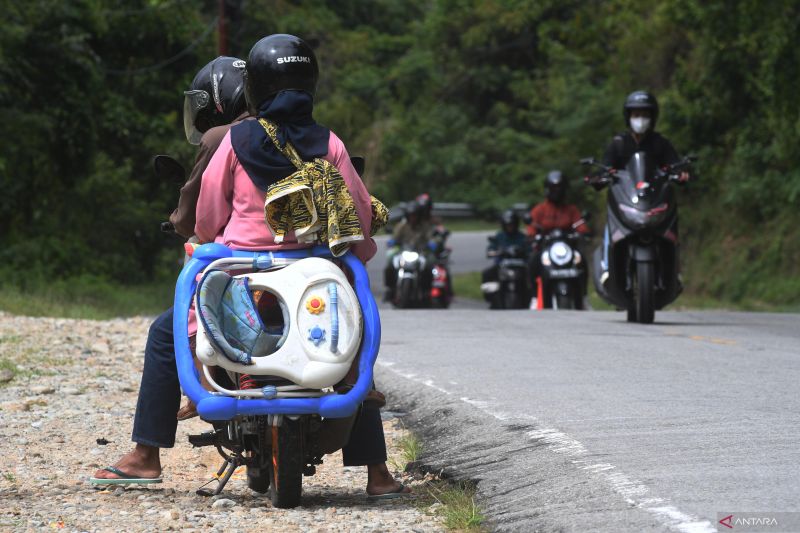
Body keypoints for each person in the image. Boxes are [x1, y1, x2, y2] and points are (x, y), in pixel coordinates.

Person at [92, 36, 409, 499]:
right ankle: (377, 473)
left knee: (167, 333)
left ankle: (145, 455)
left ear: (255, 88)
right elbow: (358, 220)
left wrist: (220, 237)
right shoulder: (331, 143)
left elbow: (204, 219)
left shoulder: (234, 141)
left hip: (240, 280)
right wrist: (354, 257)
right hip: (310, 281)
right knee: (349, 333)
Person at [593, 90, 688, 187]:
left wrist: (680, 174)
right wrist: (597, 178)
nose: (641, 120)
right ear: (628, 117)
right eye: (636, 115)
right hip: (625, 197)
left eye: (645, 116)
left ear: (652, 118)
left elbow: (675, 165)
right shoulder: (618, 144)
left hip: (655, 197)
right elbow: (603, 170)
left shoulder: (661, 142)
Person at [383, 199, 434, 301]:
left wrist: (432, 243)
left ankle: (427, 290)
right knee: (390, 261)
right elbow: (394, 238)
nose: (413, 217)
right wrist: (392, 242)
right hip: (402, 251)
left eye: (415, 215)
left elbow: (430, 237)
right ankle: (390, 289)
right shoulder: (401, 226)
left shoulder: (424, 226)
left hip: (420, 252)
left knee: (430, 264)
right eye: (411, 215)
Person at [481, 209, 529, 304]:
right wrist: (497, 252)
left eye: (512, 225)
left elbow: (530, 250)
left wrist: (522, 251)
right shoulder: (500, 236)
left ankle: (532, 295)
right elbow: (490, 250)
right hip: (502, 265)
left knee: (532, 274)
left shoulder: (522, 237)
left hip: (520, 266)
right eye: (507, 225)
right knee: (486, 273)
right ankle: (491, 297)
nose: (510, 227)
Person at [527, 171, 590, 239]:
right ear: (548, 189)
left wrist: (583, 233)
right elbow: (531, 228)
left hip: (567, 246)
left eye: (560, 188)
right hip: (545, 246)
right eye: (554, 188)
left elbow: (580, 226)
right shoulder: (540, 209)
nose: (557, 191)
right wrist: (533, 235)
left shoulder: (572, 210)